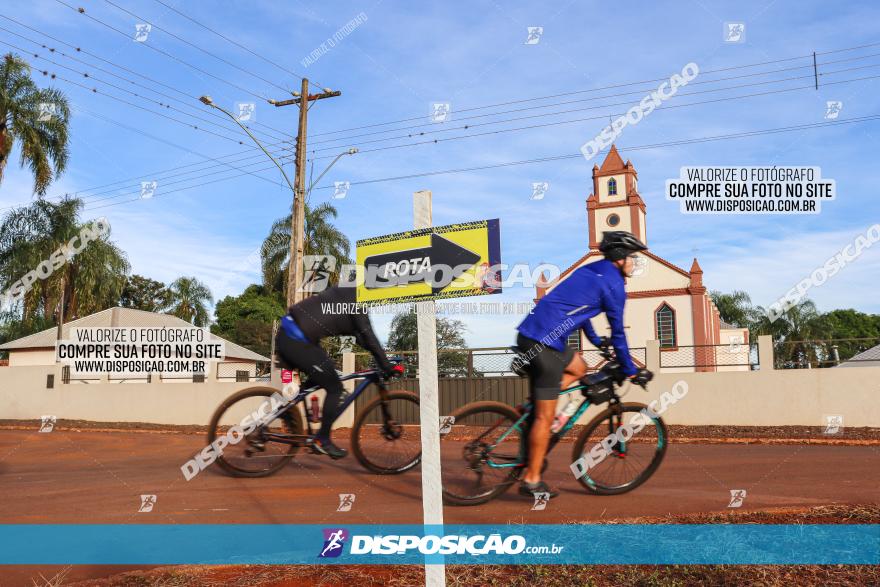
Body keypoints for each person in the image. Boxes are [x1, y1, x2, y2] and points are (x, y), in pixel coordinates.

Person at [514, 231, 653, 498]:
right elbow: (619, 333)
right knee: (545, 418)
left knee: (579, 366)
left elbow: (581, 311)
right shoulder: (615, 286)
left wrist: (596, 340)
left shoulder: (590, 271)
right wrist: (631, 370)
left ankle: (533, 404)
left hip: (529, 334)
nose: (634, 263)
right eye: (631, 257)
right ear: (619, 259)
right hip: (544, 345)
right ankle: (531, 480)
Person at [275, 284, 402, 459]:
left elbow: (361, 337)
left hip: (289, 334)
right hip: (297, 341)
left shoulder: (344, 293)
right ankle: (323, 440)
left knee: (324, 373)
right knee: (335, 388)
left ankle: (288, 411)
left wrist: (381, 359)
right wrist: (386, 365)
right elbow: (368, 335)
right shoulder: (358, 303)